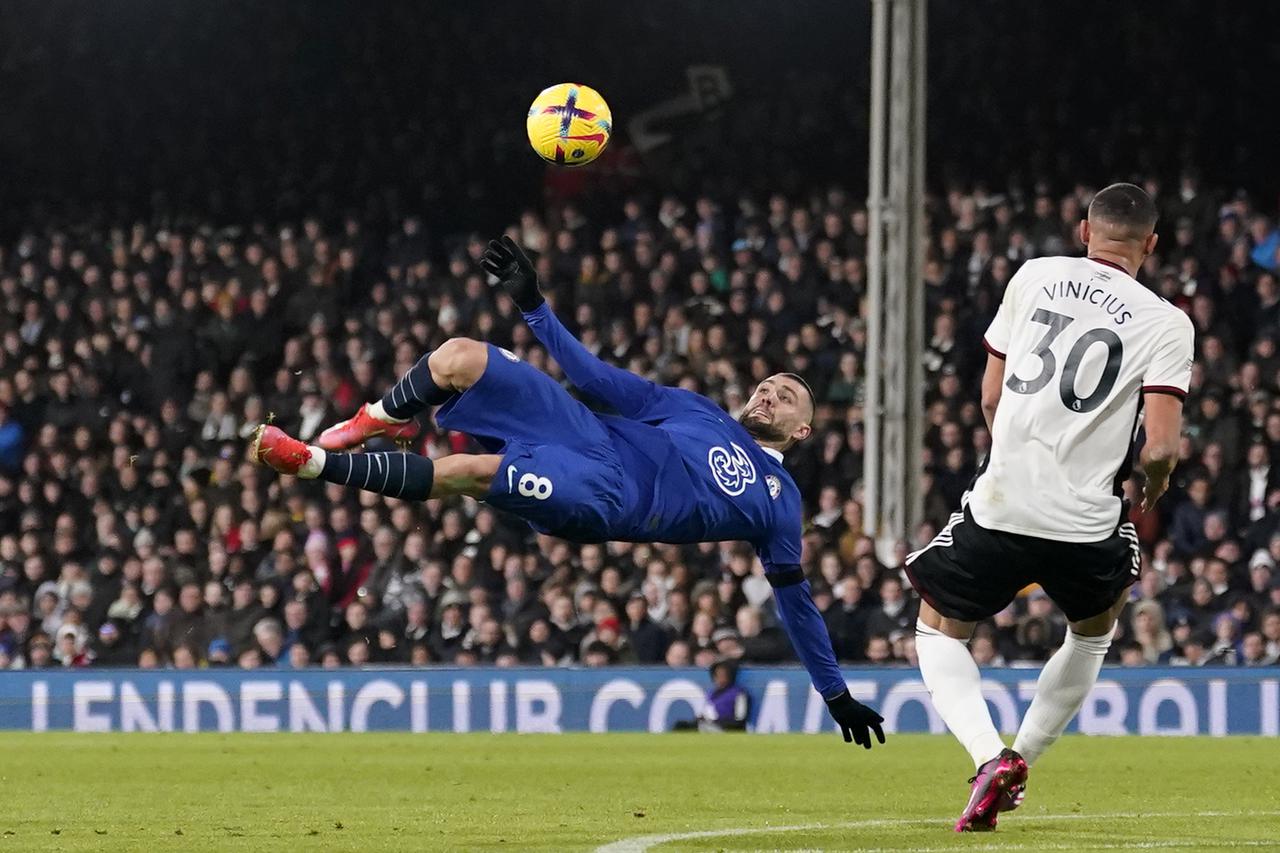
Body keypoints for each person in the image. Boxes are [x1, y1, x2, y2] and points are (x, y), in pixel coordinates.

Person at [250, 236, 885, 749]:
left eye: (787, 397)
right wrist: (533, 304)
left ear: (802, 430)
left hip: (608, 496)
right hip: (587, 432)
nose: (769, 394)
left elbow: (795, 603)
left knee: (467, 471)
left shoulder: (779, 499)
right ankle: (377, 419)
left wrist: (834, 693)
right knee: (460, 355)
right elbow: (596, 378)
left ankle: (310, 463)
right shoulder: (699, 410)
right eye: (768, 385)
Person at [904, 184, 1194, 831]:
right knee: (1094, 629)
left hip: (1002, 504)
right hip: (1085, 521)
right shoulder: (1167, 322)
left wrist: (1011, 456)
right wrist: (1155, 484)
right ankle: (1023, 759)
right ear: (1151, 244)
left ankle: (989, 757)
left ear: (1084, 230)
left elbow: (990, 395)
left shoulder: (1034, 276)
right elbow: (1161, 445)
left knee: (937, 628)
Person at [672, 658, 751, 732]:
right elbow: (706, 713)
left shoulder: (739, 694)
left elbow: (739, 721)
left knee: (702, 727)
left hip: (724, 729)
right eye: (717, 675)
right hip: (708, 725)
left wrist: (714, 722)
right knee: (680, 725)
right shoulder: (711, 694)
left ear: (730, 676)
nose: (720, 678)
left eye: (723, 675)